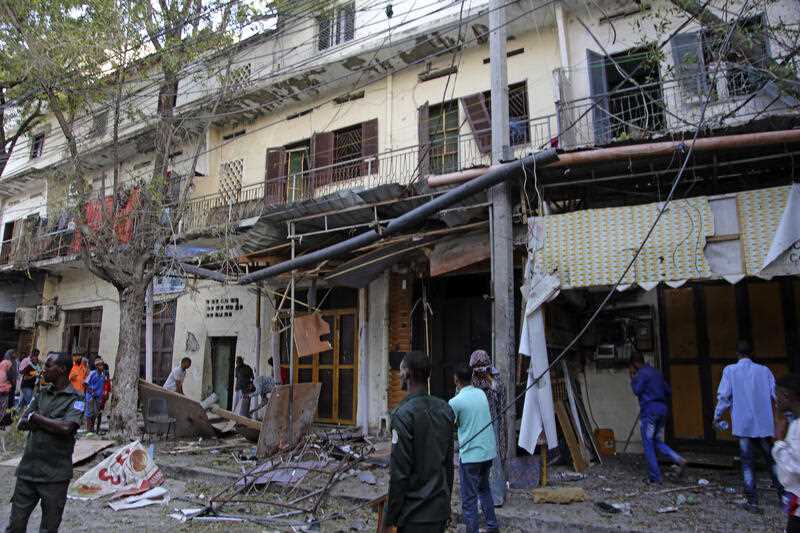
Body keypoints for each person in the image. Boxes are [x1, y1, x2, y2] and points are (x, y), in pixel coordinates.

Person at [5, 352, 83, 533]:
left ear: (62, 369)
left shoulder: (76, 398)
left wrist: (37, 419)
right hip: (28, 472)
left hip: (55, 476)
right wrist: (48, 422)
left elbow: (67, 428)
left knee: (48, 528)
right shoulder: (40, 394)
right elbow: (22, 422)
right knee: (15, 526)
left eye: (48, 366)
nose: (43, 370)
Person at [383, 352, 454, 533]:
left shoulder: (402, 415)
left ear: (407, 374)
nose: (398, 375)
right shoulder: (445, 410)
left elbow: (399, 475)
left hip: (413, 516)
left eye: (400, 370)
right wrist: (446, 506)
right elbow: (448, 466)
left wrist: (390, 519)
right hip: (438, 512)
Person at [714, 339, 783, 513]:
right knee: (771, 460)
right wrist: (780, 418)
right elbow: (776, 395)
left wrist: (717, 416)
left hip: (743, 424)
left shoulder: (730, 371)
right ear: (751, 353)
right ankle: (783, 496)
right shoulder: (764, 371)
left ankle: (752, 500)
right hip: (763, 424)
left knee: (747, 462)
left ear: (737, 353)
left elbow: (724, 396)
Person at [449, 364, 498, 533]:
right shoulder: (481, 394)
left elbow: (451, 426)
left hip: (471, 456)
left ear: (456, 380)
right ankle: (493, 527)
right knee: (484, 490)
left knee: (469, 500)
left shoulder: (455, 402)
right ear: (471, 378)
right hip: (488, 452)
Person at [629, 352, 687, 484]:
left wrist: (632, 377)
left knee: (648, 443)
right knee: (656, 440)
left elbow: (636, 391)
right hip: (662, 410)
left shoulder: (642, 374)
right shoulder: (656, 373)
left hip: (650, 412)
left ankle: (655, 477)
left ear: (634, 364)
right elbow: (668, 391)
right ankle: (678, 459)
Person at [469, 350, 507, 507]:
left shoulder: (494, 377)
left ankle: (497, 496)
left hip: (493, 422)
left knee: (494, 459)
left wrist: (488, 378)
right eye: (477, 366)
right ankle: (481, 497)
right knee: (479, 461)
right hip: (477, 424)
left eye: (482, 365)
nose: (480, 369)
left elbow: (500, 392)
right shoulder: (471, 379)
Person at [773, 374, 800, 533]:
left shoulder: (797, 427)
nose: (776, 400)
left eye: (777, 395)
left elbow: (793, 468)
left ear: (786, 396)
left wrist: (779, 442)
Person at [84, 358, 107, 433]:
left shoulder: (103, 375)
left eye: (102, 365)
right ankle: (88, 430)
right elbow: (85, 384)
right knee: (89, 413)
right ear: (97, 366)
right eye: (100, 365)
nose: (102, 367)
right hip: (90, 396)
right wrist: (91, 392)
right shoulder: (92, 373)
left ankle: (92, 429)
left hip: (98, 397)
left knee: (95, 413)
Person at [0, 353, 13, 428]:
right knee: (3, 407)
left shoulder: (1, 366)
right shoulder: (9, 364)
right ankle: (1, 423)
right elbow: (11, 377)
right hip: (4, 391)